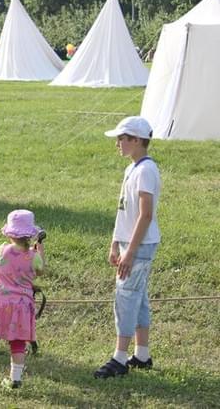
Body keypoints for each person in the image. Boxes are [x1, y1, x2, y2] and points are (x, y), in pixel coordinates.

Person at [94, 116, 161, 379]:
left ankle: (119, 358)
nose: (118, 144)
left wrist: (129, 252)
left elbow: (145, 215)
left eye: (122, 139)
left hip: (139, 245)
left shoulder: (146, 170)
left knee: (125, 300)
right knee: (139, 298)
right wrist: (115, 243)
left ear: (137, 140)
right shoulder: (132, 168)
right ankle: (142, 354)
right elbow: (124, 210)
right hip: (128, 243)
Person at [0, 209, 46, 389]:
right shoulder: (34, 257)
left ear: (10, 233)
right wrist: (39, 251)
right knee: (18, 342)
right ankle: (15, 378)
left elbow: (11, 261)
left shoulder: (2, 250)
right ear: (30, 234)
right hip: (21, 307)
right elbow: (40, 270)